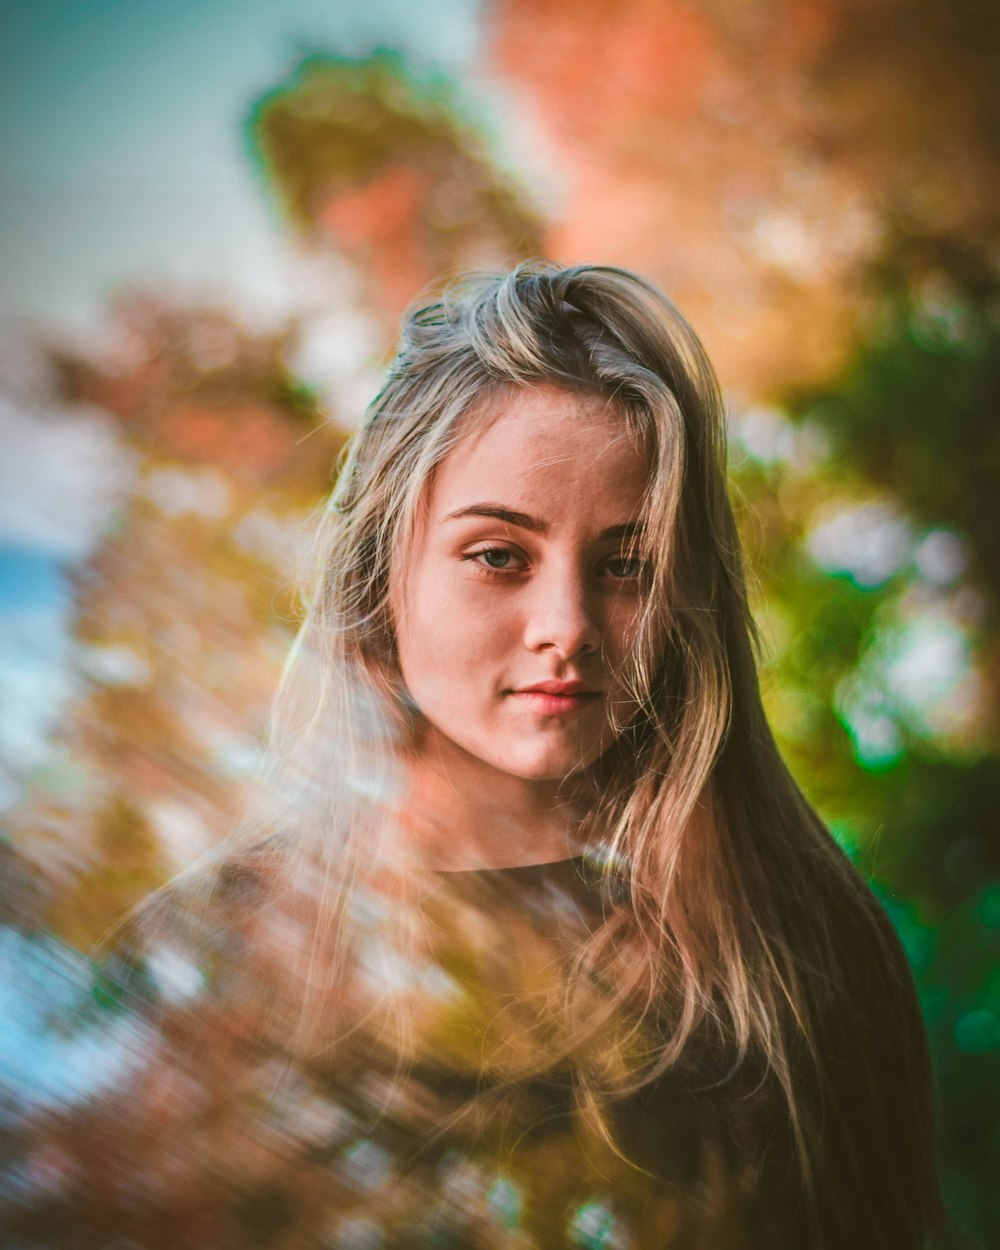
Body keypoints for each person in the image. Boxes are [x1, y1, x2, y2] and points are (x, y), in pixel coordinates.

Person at [11, 261, 948, 1249]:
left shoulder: (793, 956)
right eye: (500, 554)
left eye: (628, 564)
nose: (567, 625)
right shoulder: (204, 958)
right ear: (382, 575)